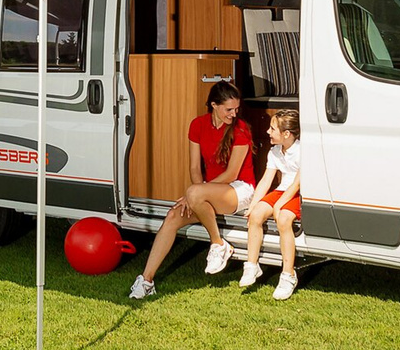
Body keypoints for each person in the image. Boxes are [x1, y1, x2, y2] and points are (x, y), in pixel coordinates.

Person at [128, 82, 254, 300]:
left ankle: (218, 244)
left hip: (239, 189)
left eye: (236, 109)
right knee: (172, 216)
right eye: (229, 109)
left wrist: (196, 192)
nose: (234, 114)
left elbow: (232, 174)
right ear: (214, 105)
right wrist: (197, 192)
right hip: (209, 190)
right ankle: (146, 281)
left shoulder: (241, 128)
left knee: (194, 194)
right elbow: (195, 168)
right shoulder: (198, 125)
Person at [239, 108, 303, 300]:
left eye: (272, 129)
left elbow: (297, 184)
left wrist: (278, 205)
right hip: (283, 191)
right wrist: (253, 205)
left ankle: (288, 275)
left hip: (299, 193)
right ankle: (252, 265)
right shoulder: (275, 151)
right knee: (256, 215)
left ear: (286, 134)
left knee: (283, 219)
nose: (268, 131)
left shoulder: (302, 150)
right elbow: (266, 180)